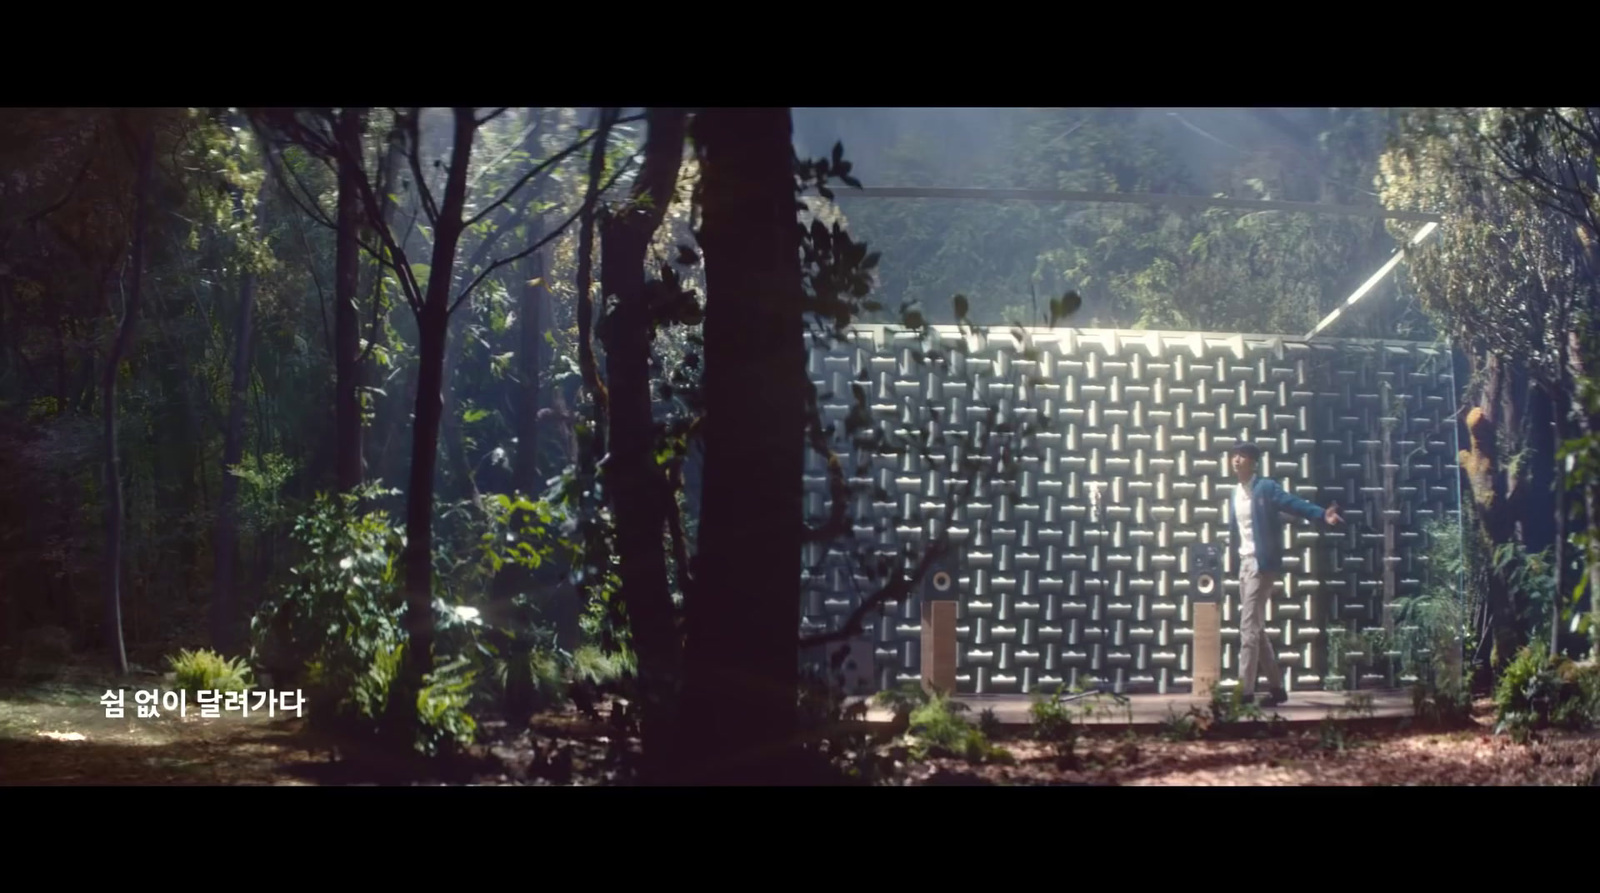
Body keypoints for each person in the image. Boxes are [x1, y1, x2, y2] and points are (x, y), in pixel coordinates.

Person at [1224, 441, 1343, 707]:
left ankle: (1244, 691)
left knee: (1247, 628)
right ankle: (1277, 689)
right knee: (1256, 627)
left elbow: (1293, 503)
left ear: (1253, 462)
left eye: (1241, 456)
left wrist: (1322, 514)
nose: (1235, 460)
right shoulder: (1234, 492)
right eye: (1233, 456)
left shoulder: (1265, 488)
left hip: (1262, 565)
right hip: (1244, 565)